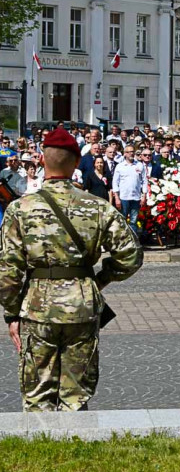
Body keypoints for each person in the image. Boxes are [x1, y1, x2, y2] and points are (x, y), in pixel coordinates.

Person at [0, 127, 141, 411]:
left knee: (38, 394)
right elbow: (131, 255)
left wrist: (11, 313)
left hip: (37, 307)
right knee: (76, 396)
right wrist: (100, 279)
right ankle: (76, 443)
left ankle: (41, 449)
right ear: (77, 163)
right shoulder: (97, 207)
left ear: (42, 160)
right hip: (82, 305)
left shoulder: (20, 209)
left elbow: (8, 269)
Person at [111, 145, 145, 236]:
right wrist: (117, 198)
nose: (131, 153)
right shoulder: (120, 166)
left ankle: (133, 241)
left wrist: (144, 196)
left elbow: (144, 181)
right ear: (125, 154)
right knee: (122, 220)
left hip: (136, 197)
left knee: (134, 221)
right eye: (129, 152)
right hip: (124, 197)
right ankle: (122, 240)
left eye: (133, 151)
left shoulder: (140, 165)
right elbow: (115, 183)